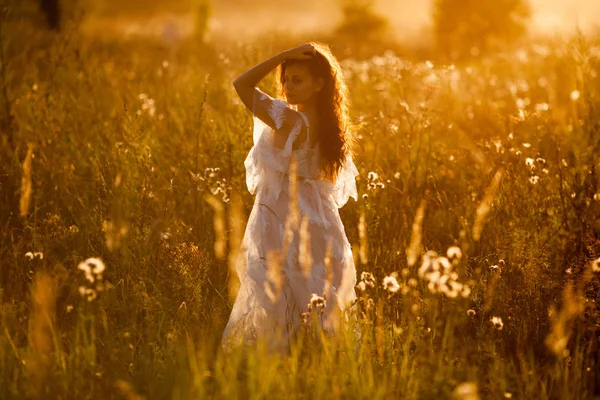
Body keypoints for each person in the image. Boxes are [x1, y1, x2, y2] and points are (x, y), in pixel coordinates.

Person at [221, 42, 359, 353]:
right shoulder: (331, 123)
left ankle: (286, 356)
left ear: (319, 84)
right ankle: (315, 354)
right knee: (312, 286)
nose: (288, 87)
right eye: (286, 80)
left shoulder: (289, 119)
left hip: (285, 210)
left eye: (298, 80)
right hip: (320, 214)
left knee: (281, 285)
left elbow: (241, 84)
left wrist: (282, 56)